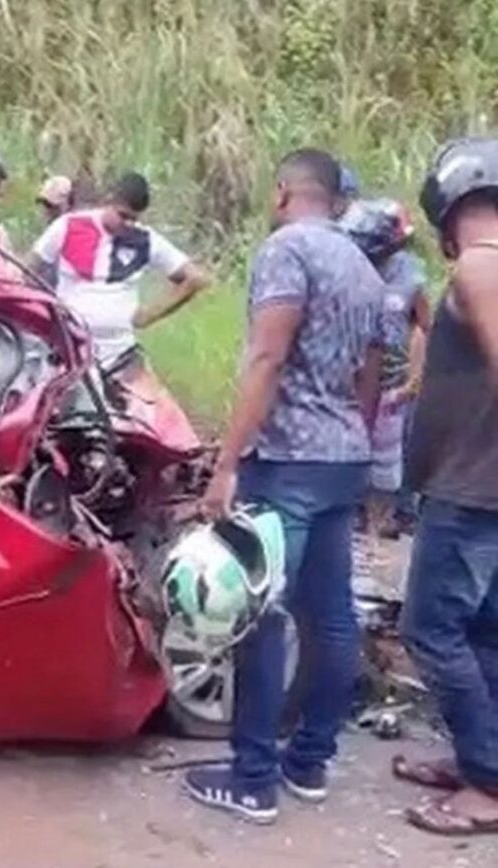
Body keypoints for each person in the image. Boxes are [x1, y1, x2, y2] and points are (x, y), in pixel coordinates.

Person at [187, 149, 385, 824]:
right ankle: (309, 761)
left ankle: (251, 778)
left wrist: (226, 462)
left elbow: (268, 355)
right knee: (331, 618)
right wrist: (351, 441)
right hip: (342, 458)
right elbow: (370, 370)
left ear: (282, 193)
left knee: (260, 616)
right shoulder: (362, 262)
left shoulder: (286, 251)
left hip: (288, 461)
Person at [395, 138, 498, 837]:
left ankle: (488, 786)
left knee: (429, 629)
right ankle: (478, 759)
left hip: (472, 489)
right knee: (484, 634)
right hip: (484, 486)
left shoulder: (480, 267)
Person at [25, 171, 208, 367]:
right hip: (67, 348)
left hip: (119, 353)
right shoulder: (68, 226)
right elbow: (27, 271)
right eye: (123, 216)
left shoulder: (145, 239)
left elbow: (196, 279)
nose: (127, 224)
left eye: (133, 219)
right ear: (108, 202)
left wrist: (149, 314)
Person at [339, 199, 431, 546]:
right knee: (351, 444)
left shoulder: (409, 276)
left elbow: (424, 325)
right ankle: (355, 514)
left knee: (388, 456)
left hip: (392, 380)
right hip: (351, 375)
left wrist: (414, 380)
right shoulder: (347, 268)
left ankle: (385, 518)